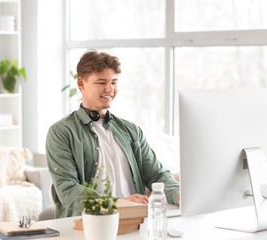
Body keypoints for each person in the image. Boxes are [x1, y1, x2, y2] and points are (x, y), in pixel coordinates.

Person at [46, 50, 179, 218]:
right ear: (81, 83)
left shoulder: (131, 130)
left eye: (114, 82)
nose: (109, 89)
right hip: (88, 224)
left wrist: (179, 195)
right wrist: (118, 203)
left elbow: (157, 175)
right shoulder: (61, 133)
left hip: (135, 222)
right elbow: (69, 191)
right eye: (101, 82)